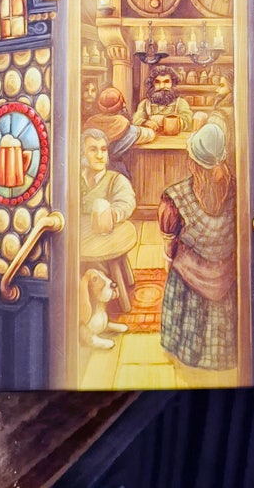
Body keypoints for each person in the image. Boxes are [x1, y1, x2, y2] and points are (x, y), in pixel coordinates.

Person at [159, 122, 237, 370]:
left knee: (177, 268)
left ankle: (186, 352)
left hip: (188, 277)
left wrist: (168, 259)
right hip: (225, 275)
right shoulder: (239, 190)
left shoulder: (175, 197)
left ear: (193, 163)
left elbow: (169, 241)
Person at [84, 86, 156, 178]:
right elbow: (149, 134)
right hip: (116, 172)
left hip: (90, 170)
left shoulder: (91, 122)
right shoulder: (129, 129)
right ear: (122, 105)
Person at [80, 127, 136, 242]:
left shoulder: (117, 180)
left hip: (105, 238)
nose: (100, 156)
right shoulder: (73, 179)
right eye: (93, 150)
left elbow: (126, 203)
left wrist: (112, 215)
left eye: (103, 150)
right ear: (82, 154)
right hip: (78, 237)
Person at [132, 65, 193, 133]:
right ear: (152, 84)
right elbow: (136, 120)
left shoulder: (181, 103)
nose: (162, 86)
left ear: (172, 84)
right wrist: (145, 122)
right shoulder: (145, 104)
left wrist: (172, 122)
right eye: (157, 82)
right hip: (152, 137)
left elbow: (188, 121)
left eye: (166, 82)